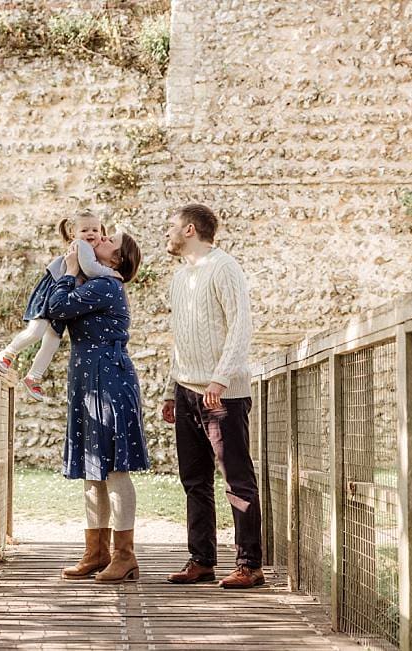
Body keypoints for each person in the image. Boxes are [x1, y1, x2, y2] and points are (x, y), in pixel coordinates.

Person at [161, 203, 265, 589]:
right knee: (194, 480)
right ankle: (201, 560)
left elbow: (241, 326)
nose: (166, 233)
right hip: (187, 392)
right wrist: (173, 389)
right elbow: (181, 340)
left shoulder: (224, 267)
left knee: (236, 477)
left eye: (171, 226)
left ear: (190, 229)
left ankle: (249, 565)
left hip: (223, 395)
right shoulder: (180, 278)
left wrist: (219, 381)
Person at [43, 232, 148, 583]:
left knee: (115, 470)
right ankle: (96, 551)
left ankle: (124, 555)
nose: (97, 240)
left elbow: (57, 306)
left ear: (115, 260)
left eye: (106, 241)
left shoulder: (105, 286)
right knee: (92, 472)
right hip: (89, 380)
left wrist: (71, 270)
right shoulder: (98, 283)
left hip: (109, 380)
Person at [0, 210, 123, 401]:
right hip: (52, 290)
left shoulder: (91, 249)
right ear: (73, 234)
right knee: (36, 330)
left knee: (52, 341)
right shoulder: (81, 246)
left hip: (63, 293)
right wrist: (110, 272)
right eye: (85, 230)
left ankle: (34, 377)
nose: (91, 234)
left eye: (95, 230)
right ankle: (7, 354)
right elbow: (89, 269)